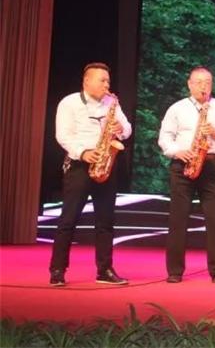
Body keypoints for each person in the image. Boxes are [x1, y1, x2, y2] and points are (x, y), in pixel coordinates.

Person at [49, 62, 132, 286]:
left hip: (106, 164)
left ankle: (104, 270)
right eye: (102, 80)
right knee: (68, 219)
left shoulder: (112, 102)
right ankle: (57, 269)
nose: (107, 85)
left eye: (108, 81)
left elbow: (127, 129)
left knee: (106, 221)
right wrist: (83, 152)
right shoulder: (69, 103)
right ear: (86, 81)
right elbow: (62, 135)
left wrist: (120, 129)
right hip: (79, 165)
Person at [158, 66, 215, 284]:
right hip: (184, 164)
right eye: (199, 82)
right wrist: (177, 151)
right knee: (178, 218)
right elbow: (164, 138)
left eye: (208, 82)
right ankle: (175, 271)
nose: (204, 87)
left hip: (211, 165)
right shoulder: (177, 108)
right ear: (189, 84)